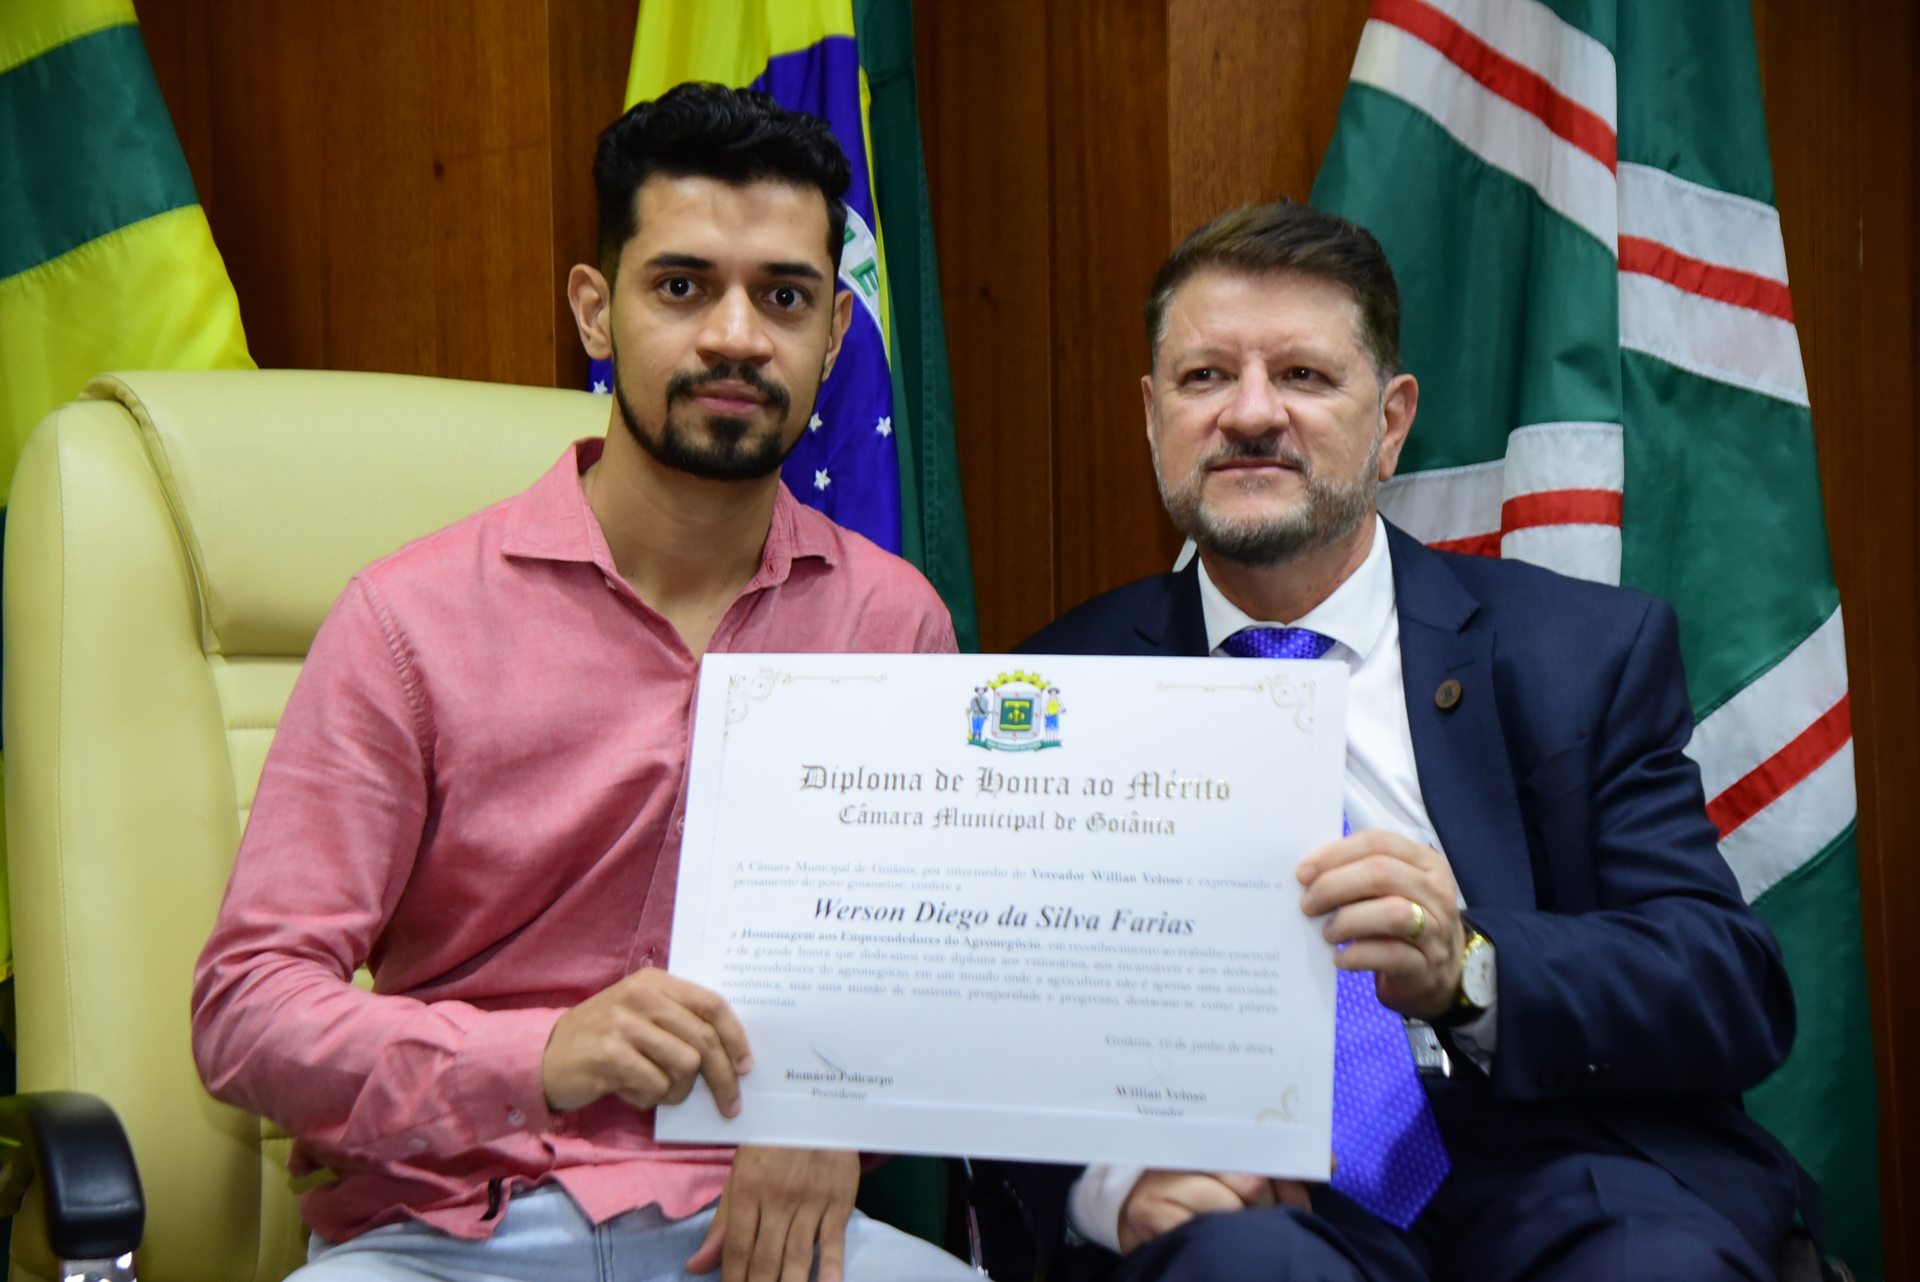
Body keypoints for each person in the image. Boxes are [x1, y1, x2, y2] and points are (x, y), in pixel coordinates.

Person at [191, 83, 980, 1282]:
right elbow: (247, 1010)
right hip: (446, 1233)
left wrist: (834, 1105)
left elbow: (938, 971)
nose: (735, 336)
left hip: (759, 1233)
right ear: (595, 311)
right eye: (683, 286)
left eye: (784, 296)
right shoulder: (408, 621)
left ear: (833, 335)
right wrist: (540, 1053)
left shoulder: (891, 623)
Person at [986, 199, 1807, 1282]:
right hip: (1258, 1195)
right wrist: (1112, 1186)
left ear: (1391, 421)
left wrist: (1470, 968)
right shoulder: (1053, 690)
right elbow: (990, 1015)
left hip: (1568, 1163)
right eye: (1205, 377)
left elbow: (1726, 985)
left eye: (1304, 375)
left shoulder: (1580, 652)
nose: (1250, 414)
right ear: (1152, 416)